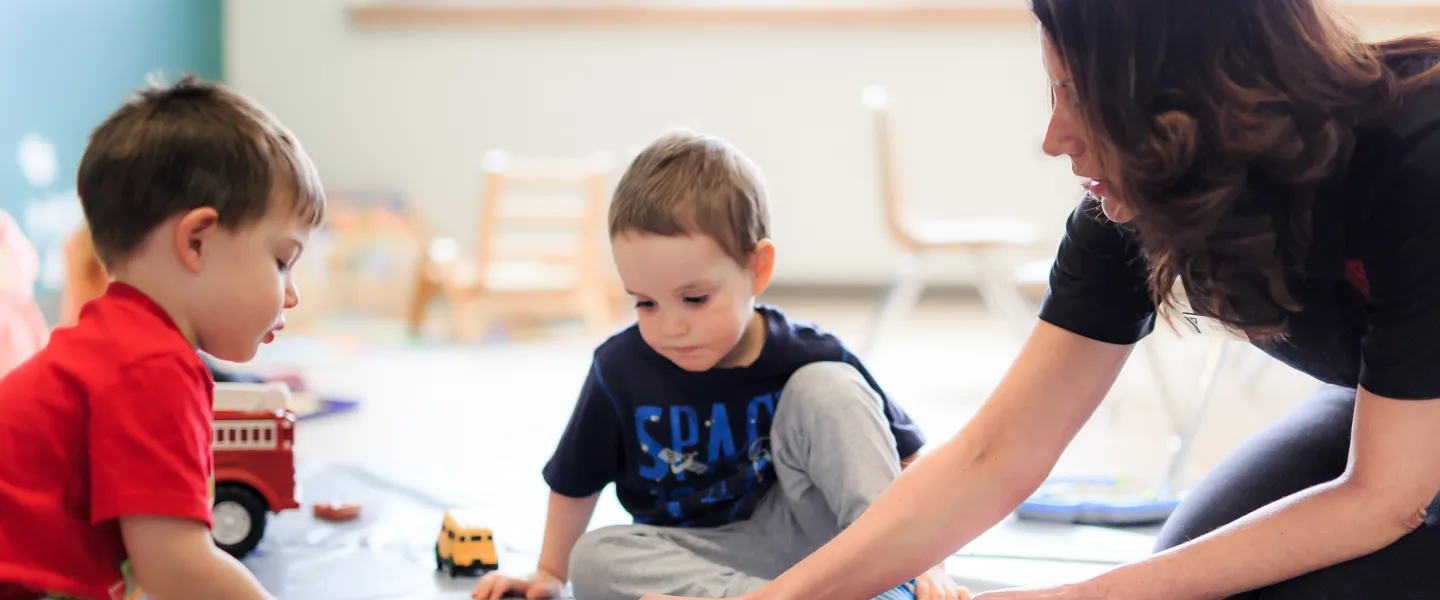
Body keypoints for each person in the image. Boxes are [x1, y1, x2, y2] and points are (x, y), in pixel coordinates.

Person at [640, 1, 1440, 599]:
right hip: (1411, 423)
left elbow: (1381, 499)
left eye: (1075, 94)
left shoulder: (1416, 161)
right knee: (1194, 564)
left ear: (1185, 98)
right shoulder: (1133, 203)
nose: (1054, 136)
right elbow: (996, 453)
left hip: (1396, 473)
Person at [471, 130, 966, 600]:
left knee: (830, 387)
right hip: (698, 557)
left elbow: (904, 462)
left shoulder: (810, 352)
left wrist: (929, 564)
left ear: (758, 268)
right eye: (645, 303)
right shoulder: (619, 369)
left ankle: (887, 579)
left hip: (816, 543)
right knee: (595, 559)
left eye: (694, 299)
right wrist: (550, 572)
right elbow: (574, 481)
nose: (670, 327)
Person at [0, 75, 324, 600]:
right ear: (197, 241)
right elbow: (178, 572)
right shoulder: (151, 367)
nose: (291, 295)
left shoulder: (111, 342)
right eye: (282, 261)